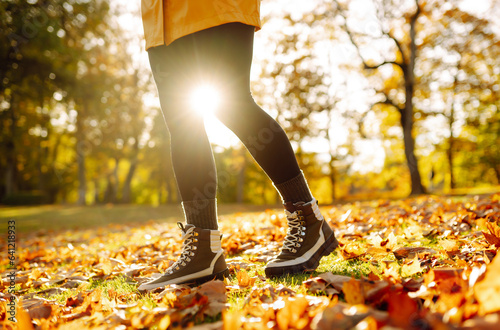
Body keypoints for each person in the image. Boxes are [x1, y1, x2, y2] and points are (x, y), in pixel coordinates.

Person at [138, 0, 339, 291]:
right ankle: (203, 248)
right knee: (182, 123)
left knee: (231, 103)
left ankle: (308, 220)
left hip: (213, 7)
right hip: (160, 18)